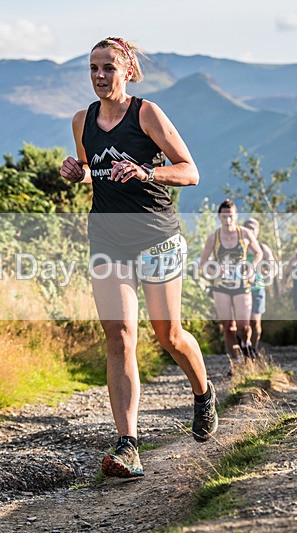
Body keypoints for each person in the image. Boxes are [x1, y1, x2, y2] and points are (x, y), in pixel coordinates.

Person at [59, 37, 217, 479]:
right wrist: (77, 172)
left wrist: (149, 171)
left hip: (157, 239)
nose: (99, 76)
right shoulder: (81, 120)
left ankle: (203, 393)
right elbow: (95, 168)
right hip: (108, 239)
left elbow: (190, 170)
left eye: (108, 67)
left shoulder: (146, 113)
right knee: (120, 336)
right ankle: (128, 445)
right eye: (93, 68)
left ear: (127, 70)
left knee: (168, 335)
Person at [200, 200, 262, 371]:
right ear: (219, 217)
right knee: (228, 326)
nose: (228, 221)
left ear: (236, 216)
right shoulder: (213, 238)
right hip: (221, 286)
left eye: (231, 217)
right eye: (224, 217)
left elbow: (258, 253)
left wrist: (250, 269)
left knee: (244, 326)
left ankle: (246, 342)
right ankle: (236, 364)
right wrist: (214, 271)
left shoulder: (245, 234)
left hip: (242, 284)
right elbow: (203, 263)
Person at [242, 217, 277, 356]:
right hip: (241, 290)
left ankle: (254, 348)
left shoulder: (263, 248)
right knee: (244, 325)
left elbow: (273, 266)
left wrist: (269, 275)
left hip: (258, 289)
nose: (250, 230)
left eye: (253, 228)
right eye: (247, 227)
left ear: (257, 231)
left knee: (255, 322)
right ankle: (246, 350)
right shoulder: (241, 248)